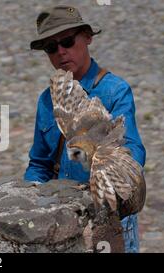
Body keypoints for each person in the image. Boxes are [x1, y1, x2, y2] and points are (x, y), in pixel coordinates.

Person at [24, 5, 146, 253]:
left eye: (67, 41)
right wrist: (29, 204)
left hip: (109, 215)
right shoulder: (47, 100)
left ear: (87, 37)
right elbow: (39, 164)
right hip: (63, 218)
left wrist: (112, 170)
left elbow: (133, 150)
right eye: (51, 47)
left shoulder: (114, 90)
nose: (61, 52)